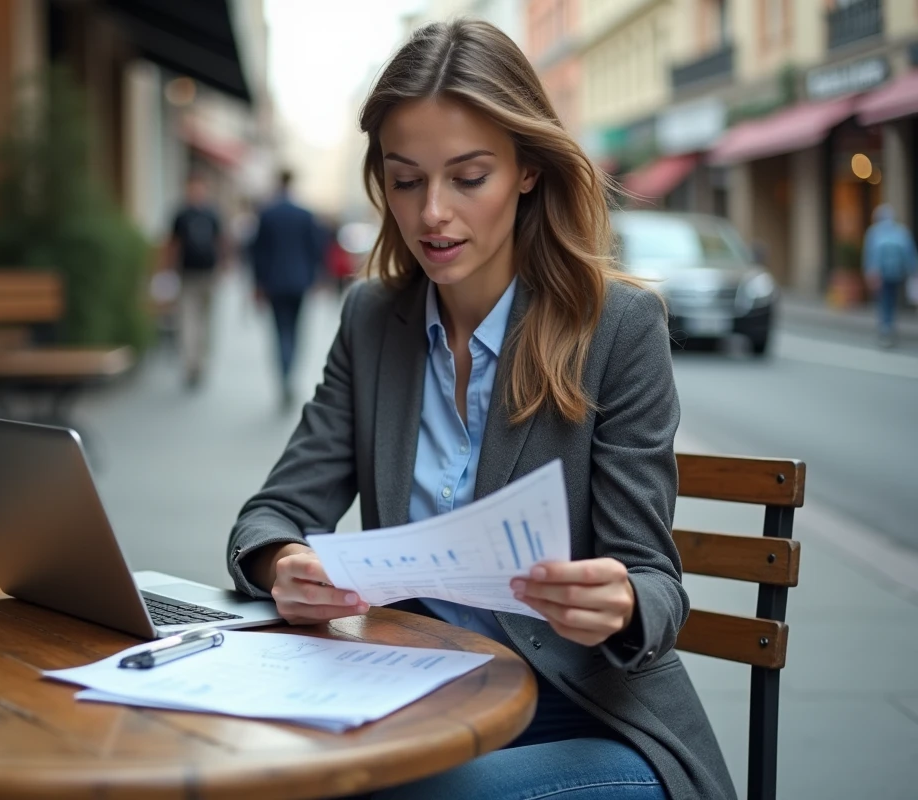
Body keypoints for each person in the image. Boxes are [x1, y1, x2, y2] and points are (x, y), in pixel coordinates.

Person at [226, 19, 734, 800]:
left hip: (593, 716)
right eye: (405, 180)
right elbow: (273, 512)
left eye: (468, 177)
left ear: (527, 170)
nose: (432, 213)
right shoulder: (373, 320)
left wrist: (621, 602)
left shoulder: (617, 329)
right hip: (424, 698)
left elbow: (655, 582)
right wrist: (283, 564)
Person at [250, 169, 326, 409]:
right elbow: (316, 248)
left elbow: (257, 252)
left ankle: (284, 377)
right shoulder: (304, 214)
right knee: (295, 330)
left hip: (274, 282)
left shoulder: (267, 213)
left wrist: (258, 283)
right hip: (299, 281)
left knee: (279, 331)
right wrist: (316, 277)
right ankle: (290, 374)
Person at [166, 173, 225, 388]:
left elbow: (221, 242)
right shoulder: (181, 214)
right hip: (187, 274)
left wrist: (223, 267)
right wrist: (168, 271)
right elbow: (173, 244)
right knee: (188, 320)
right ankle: (191, 364)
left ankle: (201, 362)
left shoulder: (212, 214)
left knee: (206, 321)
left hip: (208, 274)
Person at [862, 203, 918, 348]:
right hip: (898, 273)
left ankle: (886, 328)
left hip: (881, 274)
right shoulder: (901, 231)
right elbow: (909, 252)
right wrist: (913, 270)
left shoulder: (874, 231)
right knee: (892, 300)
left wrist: (870, 272)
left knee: (884, 301)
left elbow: (870, 254)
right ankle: (889, 327)